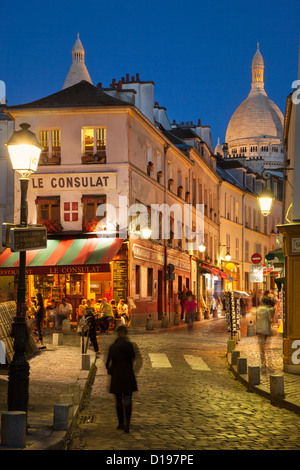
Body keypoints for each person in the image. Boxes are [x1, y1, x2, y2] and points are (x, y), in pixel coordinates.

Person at [105, 325, 140, 433]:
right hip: (128, 374)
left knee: (119, 400)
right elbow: (135, 358)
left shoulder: (113, 347)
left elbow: (107, 363)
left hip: (116, 375)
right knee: (128, 399)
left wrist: (111, 370)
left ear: (117, 333)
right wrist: (132, 369)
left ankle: (121, 423)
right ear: (126, 333)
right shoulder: (130, 346)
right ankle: (127, 424)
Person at [256, 296, 274, 372]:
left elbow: (256, 319)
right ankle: (270, 364)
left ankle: (263, 364)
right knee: (268, 347)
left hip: (260, 330)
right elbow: (269, 320)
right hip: (266, 329)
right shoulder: (269, 310)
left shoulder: (259, 309)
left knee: (262, 348)